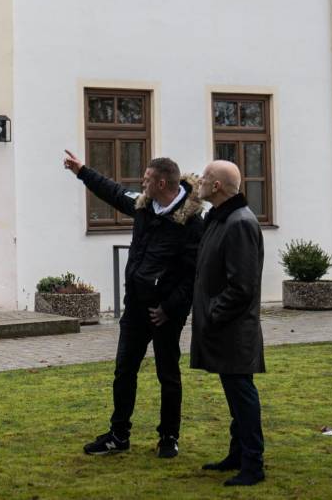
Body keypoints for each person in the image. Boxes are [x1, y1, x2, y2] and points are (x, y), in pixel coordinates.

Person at [63, 149, 203, 459]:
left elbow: (193, 275)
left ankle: (168, 437)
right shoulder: (144, 206)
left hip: (165, 313)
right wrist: (82, 170)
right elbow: (112, 191)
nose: (142, 183)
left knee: (168, 374)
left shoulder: (192, 221)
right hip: (136, 308)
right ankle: (118, 435)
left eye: (147, 179)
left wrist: (169, 309)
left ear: (163, 183)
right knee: (124, 371)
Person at [191, 159, 266, 487]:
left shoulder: (239, 223)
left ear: (217, 186)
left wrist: (213, 315)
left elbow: (242, 286)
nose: (199, 182)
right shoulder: (221, 219)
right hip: (224, 327)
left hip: (233, 329)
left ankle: (253, 464)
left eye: (205, 178)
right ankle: (237, 455)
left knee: (242, 394)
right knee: (235, 394)